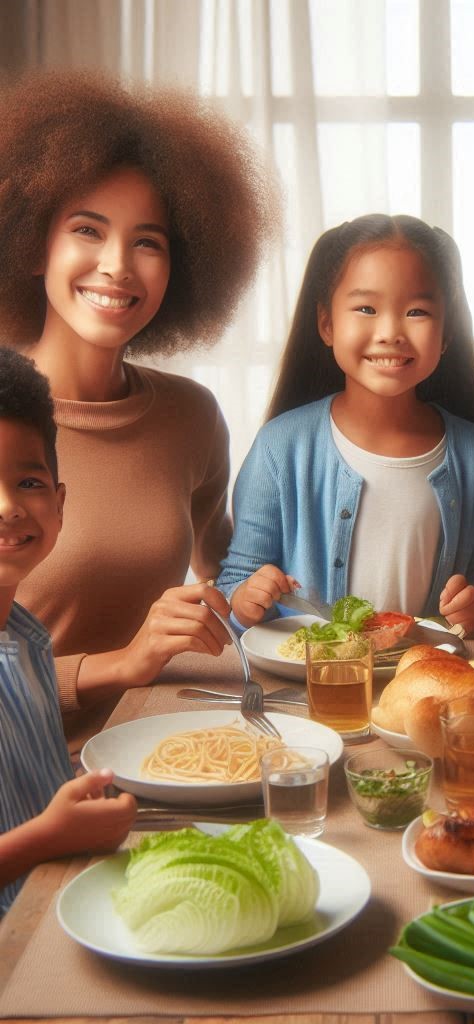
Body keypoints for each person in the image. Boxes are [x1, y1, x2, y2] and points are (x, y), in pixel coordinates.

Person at [0, 70, 277, 750]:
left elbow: (224, 582)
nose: (118, 265)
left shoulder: (190, 417)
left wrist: (246, 596)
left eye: (147, 241)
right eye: (88, 231)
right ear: (35, 245)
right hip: (27, 777)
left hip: (161, 753)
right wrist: (122, 664)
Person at [217, 215, 474, 636]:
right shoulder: (282, 446)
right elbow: (233, 587)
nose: (390, 332)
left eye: (417, 311)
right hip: (313, 687)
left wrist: (473, 609)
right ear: (327, 324)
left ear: (446, 335)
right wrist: (245, 603)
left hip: (420, 683)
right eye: (366, 309)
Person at [0, 349, 136, 915]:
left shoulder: (26, 640)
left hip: (55, 910)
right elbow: (40, 834)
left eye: (28, 482)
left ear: (58, 504)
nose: (7, 507)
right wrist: (47, 839)